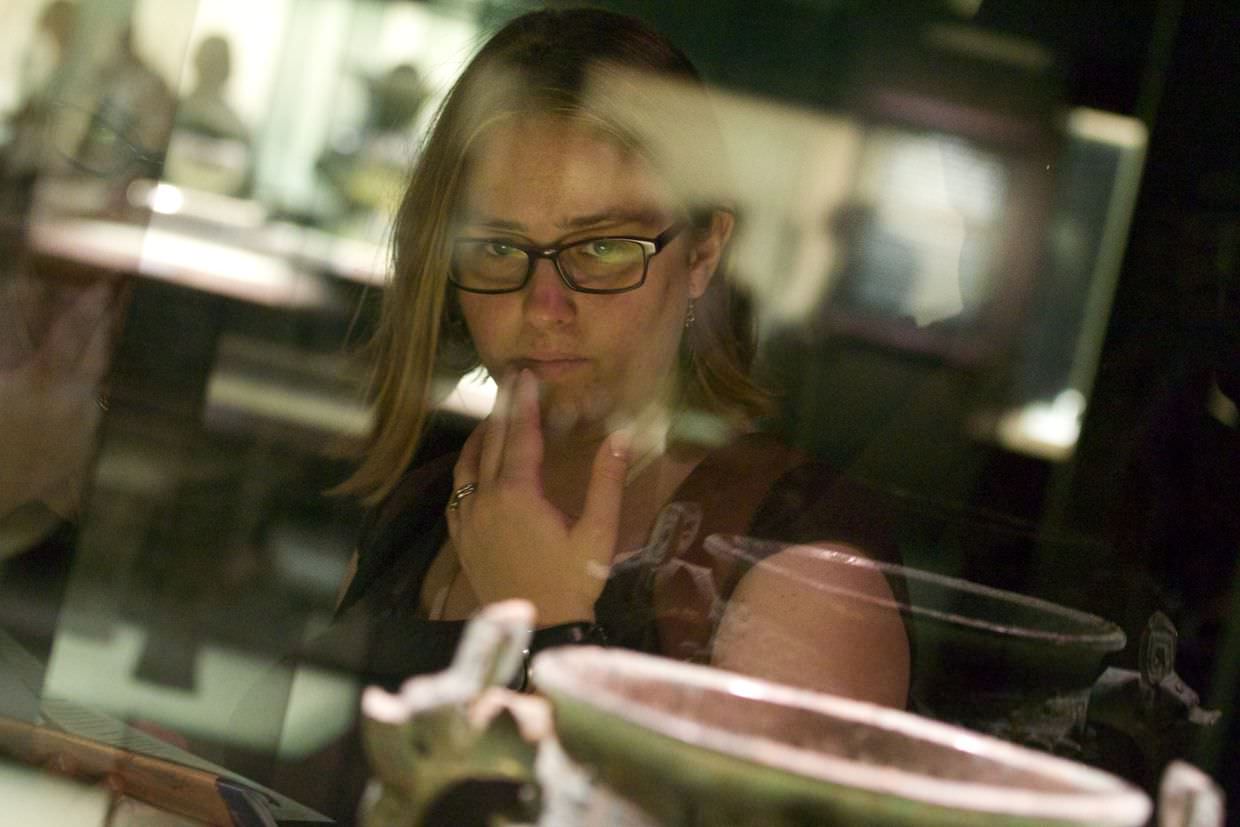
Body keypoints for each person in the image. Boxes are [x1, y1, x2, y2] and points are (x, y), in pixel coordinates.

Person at [324, 7, 909, 709]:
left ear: (702, 252)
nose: (544, 306)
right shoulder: (418, 508)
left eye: (601, 247)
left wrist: (546, 626)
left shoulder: (790, 563)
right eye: (499, 247)